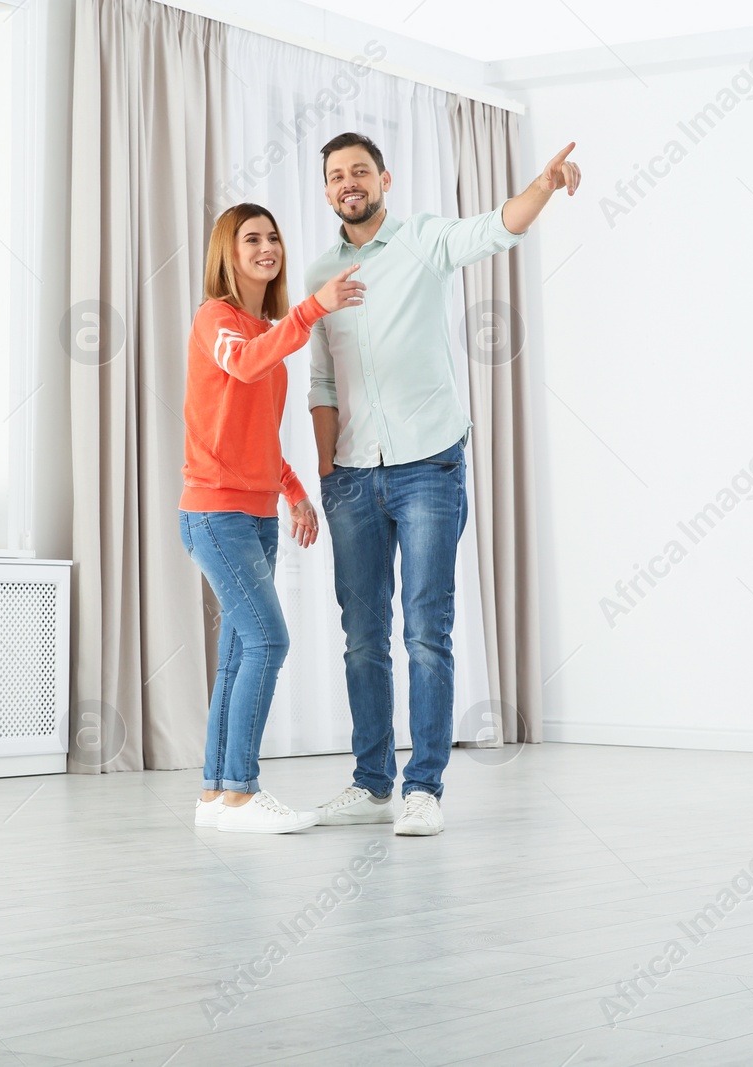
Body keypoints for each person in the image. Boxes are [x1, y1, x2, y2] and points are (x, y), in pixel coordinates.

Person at [308, 131, 582, 836]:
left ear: (384, 178)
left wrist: (544, 188)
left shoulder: (422, 240)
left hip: (429, 466)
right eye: (337, 175)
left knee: (427, 629)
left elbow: (496, 229)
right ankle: (373, 784)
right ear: (328, 187)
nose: (349, 183)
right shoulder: (319, 273)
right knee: (362, 636)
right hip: (352, 474)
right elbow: (320, 380)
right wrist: (326, 467)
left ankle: (422, 787)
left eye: (360, 171)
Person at [179, 202, 365, 834]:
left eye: (273, 237)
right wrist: (312, 308)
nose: (267, 247)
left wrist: (293, 492)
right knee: (268, 640)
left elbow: (255, 436)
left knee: (238, 652)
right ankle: (241, 793)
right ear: (227, 254)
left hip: (254, 516)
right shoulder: (217, 320)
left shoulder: (263, 331)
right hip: (215, 515)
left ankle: (215, 795)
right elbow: (243, 362)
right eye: (251, 239)